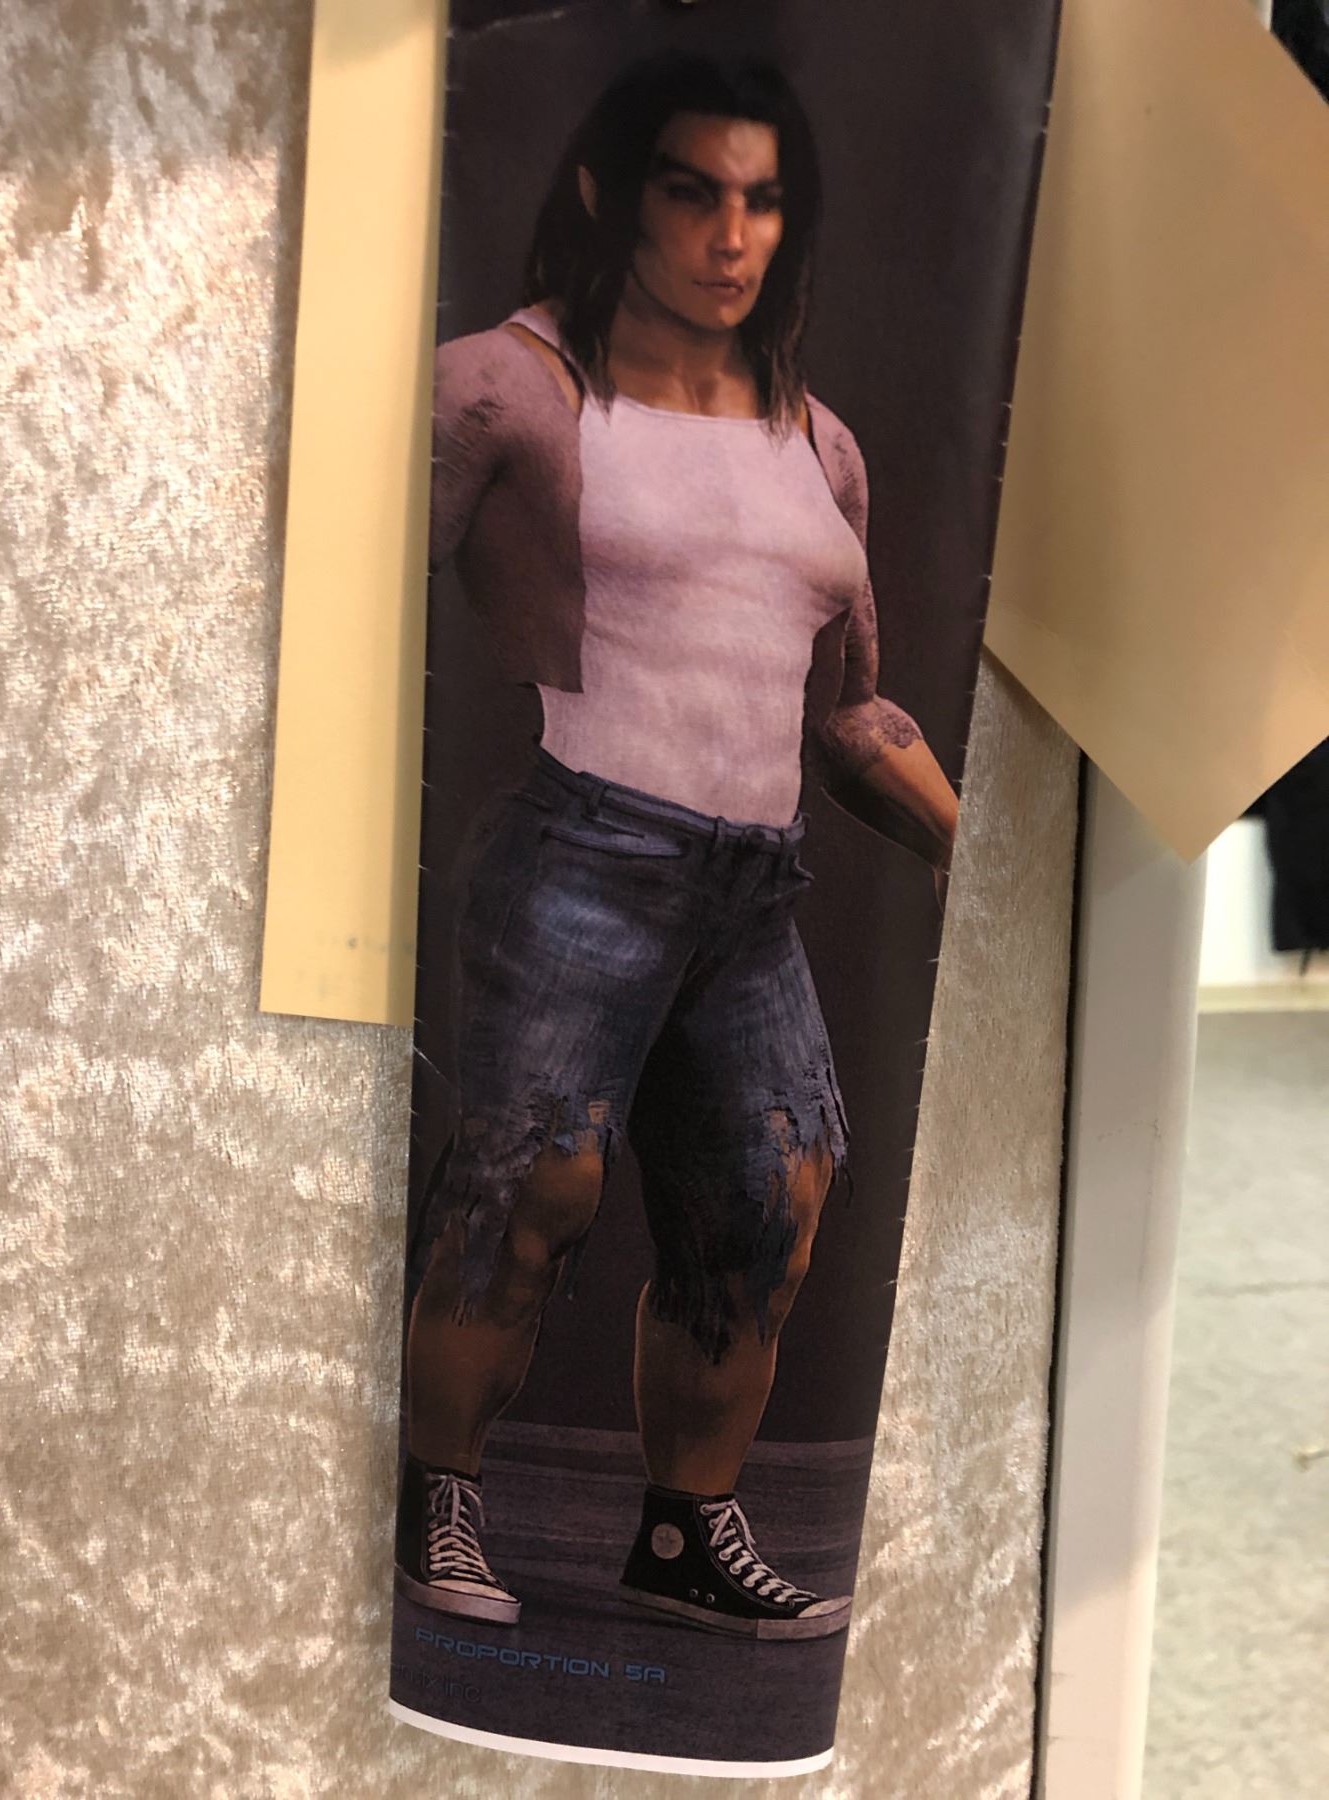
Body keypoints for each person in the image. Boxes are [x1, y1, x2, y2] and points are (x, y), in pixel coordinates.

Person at [396, 51, 959, 1642]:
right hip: (580, 852)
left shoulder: (817, 445)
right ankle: (433, 1497)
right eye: (691, 191)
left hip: (748, 887)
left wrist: (971, 862)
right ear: (607, 194)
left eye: (761, 201)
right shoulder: (499, 386)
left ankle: (682, 1532)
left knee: (771, 1199)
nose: (729, 234)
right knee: (532, 1184)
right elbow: (342, 612)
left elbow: (851, 713)